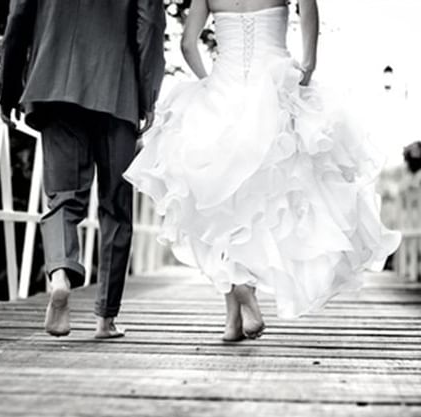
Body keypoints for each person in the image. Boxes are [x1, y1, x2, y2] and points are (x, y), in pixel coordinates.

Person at [124, 0, 402, 341]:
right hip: (273, 88)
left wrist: (206, 81)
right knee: (264, 205)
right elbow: (308, 6)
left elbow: (187, 43)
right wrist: (308, 65)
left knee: (223, 203)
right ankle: (243, 293)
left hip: (223, 92)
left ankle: (232, 318)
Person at [0, 0, 166, 338]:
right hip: (117, 90)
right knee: (116, 207)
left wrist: (8, 91)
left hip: (54, 83)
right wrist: (147, 95)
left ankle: (60, 274)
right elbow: (149, 25)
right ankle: (105, 318)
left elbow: (18, 17)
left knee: (63, 198)